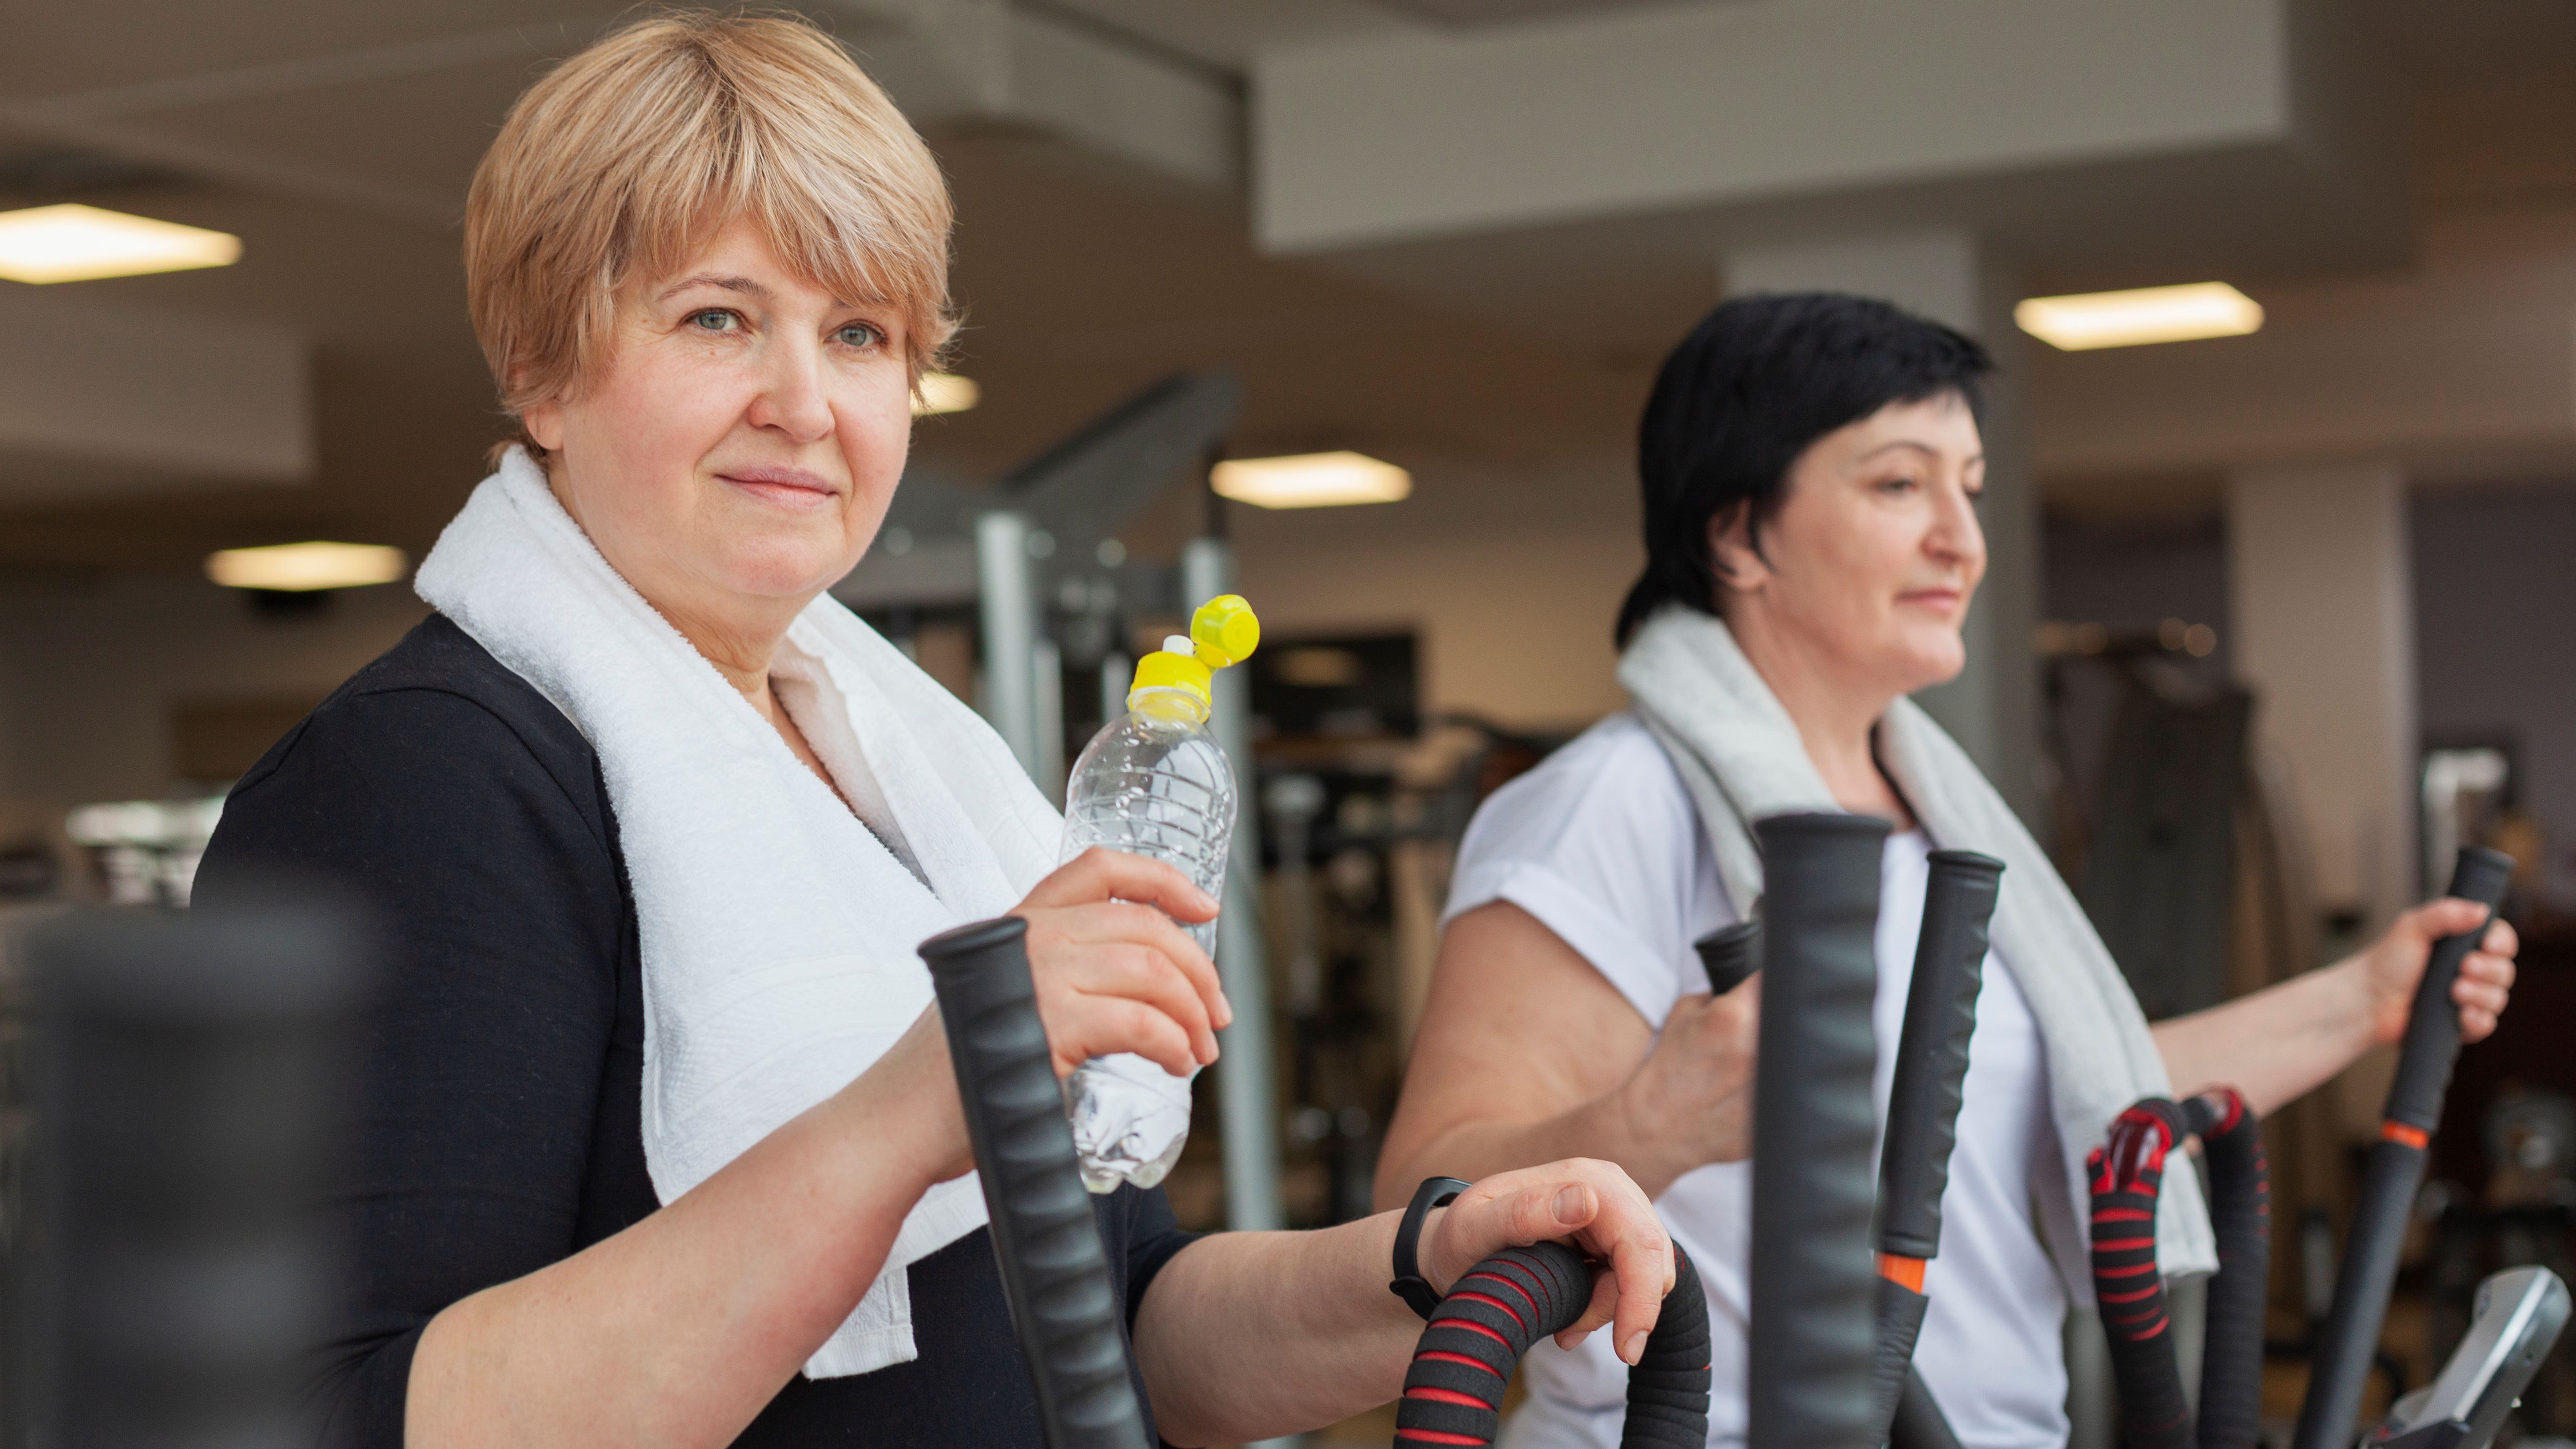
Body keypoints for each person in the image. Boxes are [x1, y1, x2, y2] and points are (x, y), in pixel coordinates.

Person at [193, 15, 1676, 1447]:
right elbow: (342, 1421)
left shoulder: (903, 766)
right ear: (538, 367)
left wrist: (1425, 1262)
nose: (804, 402)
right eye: (717, 317)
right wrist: (912, 1105)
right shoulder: (419, 781)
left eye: (860, 334)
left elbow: (1122, 1326)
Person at [1374, 293, 2522, 1449]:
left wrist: (2360, 997)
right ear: (1736, 533)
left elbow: (2074, 1096)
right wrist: (1651, 1117)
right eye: (1896, 483)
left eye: (1967, 486)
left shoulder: (1938, 813)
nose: (1961, 538)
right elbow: (1411, 1206)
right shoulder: (1610, 804)